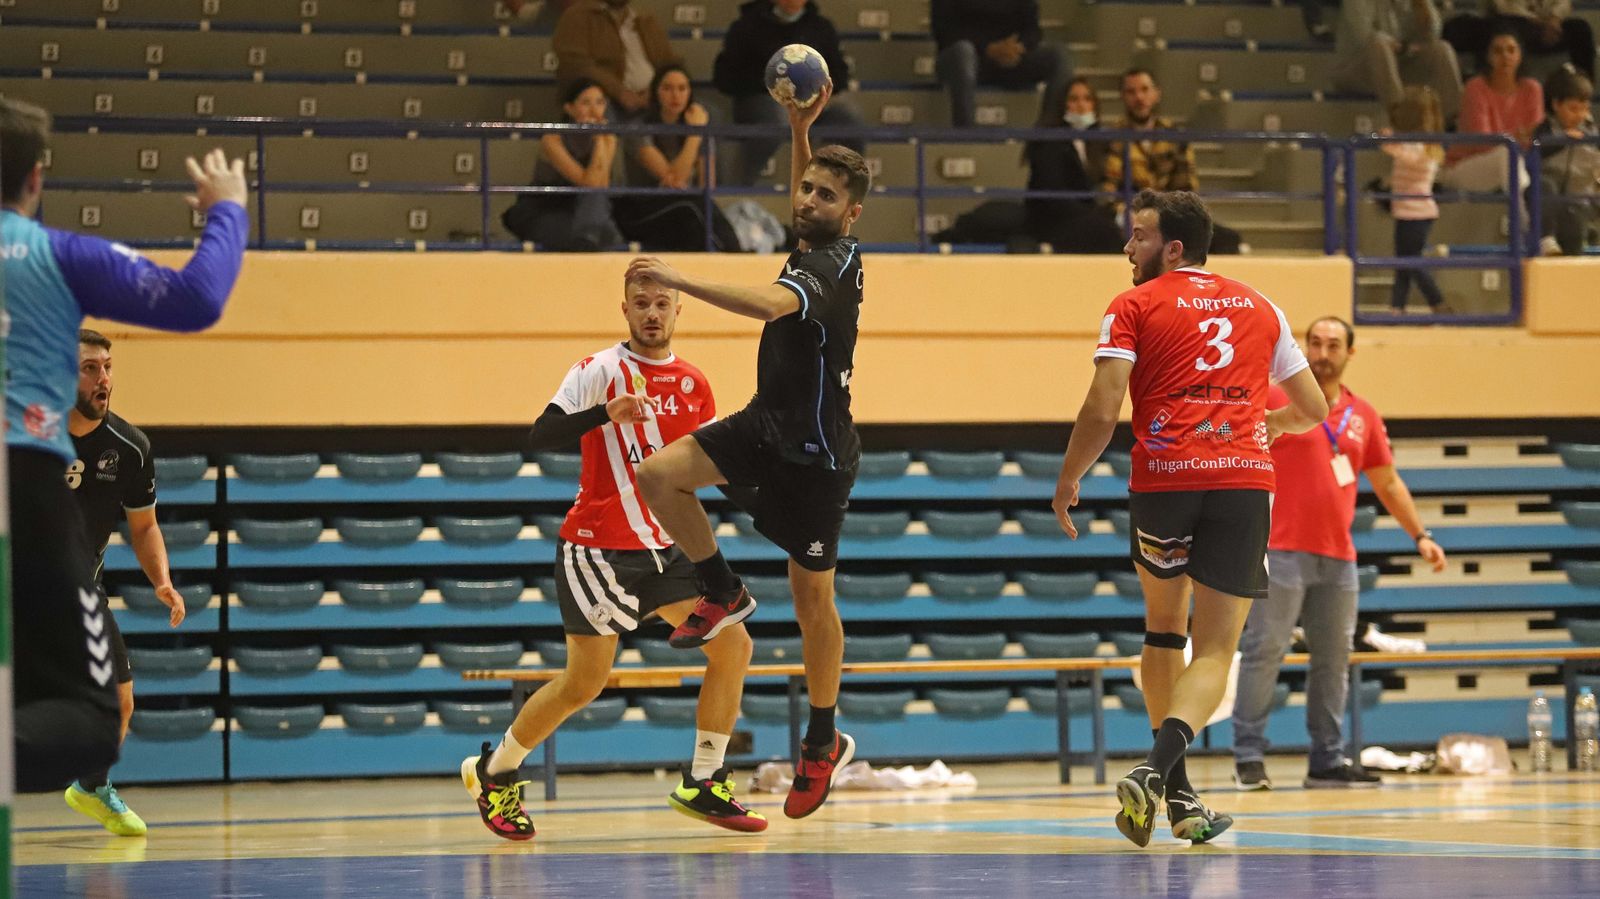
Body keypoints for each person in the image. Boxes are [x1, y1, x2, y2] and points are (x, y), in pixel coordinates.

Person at [1050, 189, 1329, 846]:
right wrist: (1267, 423)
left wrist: (1069, 477)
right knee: (1214, 652)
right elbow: (1313, 407)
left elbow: (1102, 402)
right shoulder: (1261, 305)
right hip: (1240, 480)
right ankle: (1163, 779)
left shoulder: (1133, 304)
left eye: (1139, 236)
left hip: (1165, 477)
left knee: (1163, 631)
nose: (1128, 247)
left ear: (1173, 247)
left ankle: (1167, 784)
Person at [627, 80, 867, 821]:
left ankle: (822, 739)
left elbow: (767, 304)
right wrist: (801, 128)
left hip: (816, 461)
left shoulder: (829, 269)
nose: (807, 201)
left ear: (852, 213)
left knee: (811, 603)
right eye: (805, 189)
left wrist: (678, 279)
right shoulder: (813, 237)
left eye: (825, 196)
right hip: (765, 424)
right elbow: (805, 187)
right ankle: (722, 587)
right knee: (659, 474)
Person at [460, 274, 764, 840]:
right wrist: (606, 413)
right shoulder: (598, 370)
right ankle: (494, 771)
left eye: (663, 304)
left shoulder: (694, 383)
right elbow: (542, 435)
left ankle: (704, 779)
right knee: (584, 684)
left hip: (663, 549)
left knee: (734, 644)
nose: (653, 313)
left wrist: (766, 495)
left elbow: (701, 468)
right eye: (642, 304)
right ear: (625, 308)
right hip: (598, 549)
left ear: (679, 311)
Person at [3, 97, 248, 793]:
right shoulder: (58, 256)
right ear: (37, 178)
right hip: (24, 482)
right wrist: (228, 209)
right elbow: (198, 298)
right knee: (92, 718)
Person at [1231, 316, 1447, 792]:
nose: (1322, 352)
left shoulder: (1363, 414)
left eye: (1333, 345)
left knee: (1333, 659)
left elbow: (1387, 482)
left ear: (1350, 353)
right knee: (1264, 651)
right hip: (1280, 549)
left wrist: (1420, 535)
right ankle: (1249, 755)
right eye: (1315, 343)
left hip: (1338, 558)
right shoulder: (1272, 399)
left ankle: (1326, 758)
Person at [57, 329, 186, 835]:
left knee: (120, 700)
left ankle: (90, 788)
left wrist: (162, 581)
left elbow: (144, 525)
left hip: (83, 593)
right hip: (19, 591)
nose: (103, 378)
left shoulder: (130, 448)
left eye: (108, 367)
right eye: (90, 368)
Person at [712, 0, 867, 185]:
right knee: (778, 120)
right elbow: (724, 77)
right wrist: (771, 82)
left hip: (812, 104)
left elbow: (840, 75)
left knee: (849, 118)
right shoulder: (747, 26)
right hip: (763, 101)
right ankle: (742, 185)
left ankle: (848, 187)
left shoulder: (821, 27)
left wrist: (816, 83)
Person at [1102, 70, 1245, 254]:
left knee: (1228, 240)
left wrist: (1167, 215)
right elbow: (1107, 188)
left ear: (1156, 94)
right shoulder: (1111, 137)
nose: (1139, 97)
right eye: (1131, 91)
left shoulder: (1175, 136)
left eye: (1145, 90)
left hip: (1169, 216)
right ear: (1123, 96)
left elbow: (1187, 188)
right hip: (1129, 216)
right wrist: (1126, 211)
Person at [616, 64, 741, 251]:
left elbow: (708, 184)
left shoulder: (695, 127)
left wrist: (698, 136)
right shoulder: (639, 129)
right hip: (640, 210)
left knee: (696, 218)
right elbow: (675, 180)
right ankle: (736, 255)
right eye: (667, 88)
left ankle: (733, 261)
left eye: (682, 88)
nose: (675, 95)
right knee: (692, 206)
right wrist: (695, 134)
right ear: (655, 93)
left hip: (681, 211)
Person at [501, 78, 625, 250]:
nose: (594, 110)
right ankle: (588, 238)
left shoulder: (608, 139)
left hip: (584, 208)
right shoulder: (553, 138)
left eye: (600, 102)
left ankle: (589, 238)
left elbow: (600, 186)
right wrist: (598, 139)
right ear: (570, 108)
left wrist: (598, 140)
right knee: (580, 236)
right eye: (585, 103)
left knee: (606, 235)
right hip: (546, 205)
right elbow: (589, 184)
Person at [931, 0, 1072, 128]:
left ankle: (1049, 133)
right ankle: (966, 133)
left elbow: (1033, 30)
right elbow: (943, 31)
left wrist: (1019, 47)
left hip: (1010, 59)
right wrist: (988, 48)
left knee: (1058, 56)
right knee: (963, 51)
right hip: (962, 60)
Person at [1023, 76, 1123, 253]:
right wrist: (1095, 214)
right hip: (1053, 219)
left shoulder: (1101, 142)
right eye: (1074, 99)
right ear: (1062, 105)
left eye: (1087, 99)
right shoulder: (1049, 143)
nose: (1081, 105)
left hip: (1087, 216)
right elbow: (1053, 193)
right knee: (1105, 230)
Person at [1441, 30, 1541, 198]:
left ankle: (1522, 214)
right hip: (1464, 165)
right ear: (1488, 57)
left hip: (1516, 163)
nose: (1505, 56)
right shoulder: (1476, 87)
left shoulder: (1532, 88)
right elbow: (1483, 143)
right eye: (1498, 51)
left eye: (1511, 50)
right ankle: (1521, 218)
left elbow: (1536, 137)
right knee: (1506, 154)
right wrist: (1518, 137)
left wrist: (1520, 138)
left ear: (1520, 55)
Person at [1380, 86, 1450, 313]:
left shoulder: (1426, 147)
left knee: (1411, 261)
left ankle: (1438, 302)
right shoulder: (1412, 143)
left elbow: (1413, 159)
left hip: (1418, 212)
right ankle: (1397, 307)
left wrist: (1391, 145)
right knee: (1403, 262)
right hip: (1404, 211)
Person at [1332, 0, 1463, 121]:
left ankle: (1452, 121)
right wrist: (1403, 47)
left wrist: (1424, 15)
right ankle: (1401, 118)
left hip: (1398, 63)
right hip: (1356, 68)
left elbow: (1433, 36)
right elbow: (1364, 37)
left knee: (1442, 49)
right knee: (1379, 43)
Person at [554, 0, 683, 118]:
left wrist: (656, 89)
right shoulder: (577, 17)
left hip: (651, 98)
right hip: (608, 99)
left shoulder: (646, 20)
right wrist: (621, 93)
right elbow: (576, 65)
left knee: (694, 109)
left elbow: (669, 63)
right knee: (599, 108)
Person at [1534, 65, 1600, 255]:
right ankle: (1546, 239)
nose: (1579, 115)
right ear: (1556, 105)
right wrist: (1562, 140)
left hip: (1580, 201)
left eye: (1584, 109)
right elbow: (1535, 154)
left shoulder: (1592, 134)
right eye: (1573, 109)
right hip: (1550, 199)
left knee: (1575, 216)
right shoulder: (1544, 130)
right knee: (1545, 187)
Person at [1445, 0, 1594, 79]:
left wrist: (1555, 19)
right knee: (1502, 27)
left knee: (1580, 28)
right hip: (1516, 22)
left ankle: (1582, 83)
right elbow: (1503, 6)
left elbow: (1563, 3)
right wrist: (1537, 22)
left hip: (1551, 25)